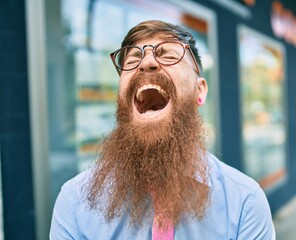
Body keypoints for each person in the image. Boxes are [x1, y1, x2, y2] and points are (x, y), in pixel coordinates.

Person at [50, 20, 276, 240]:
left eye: (168, 54)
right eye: (134, 57)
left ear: (200, 90)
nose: (146, 62)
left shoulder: (245, 204)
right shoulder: (75, 203)